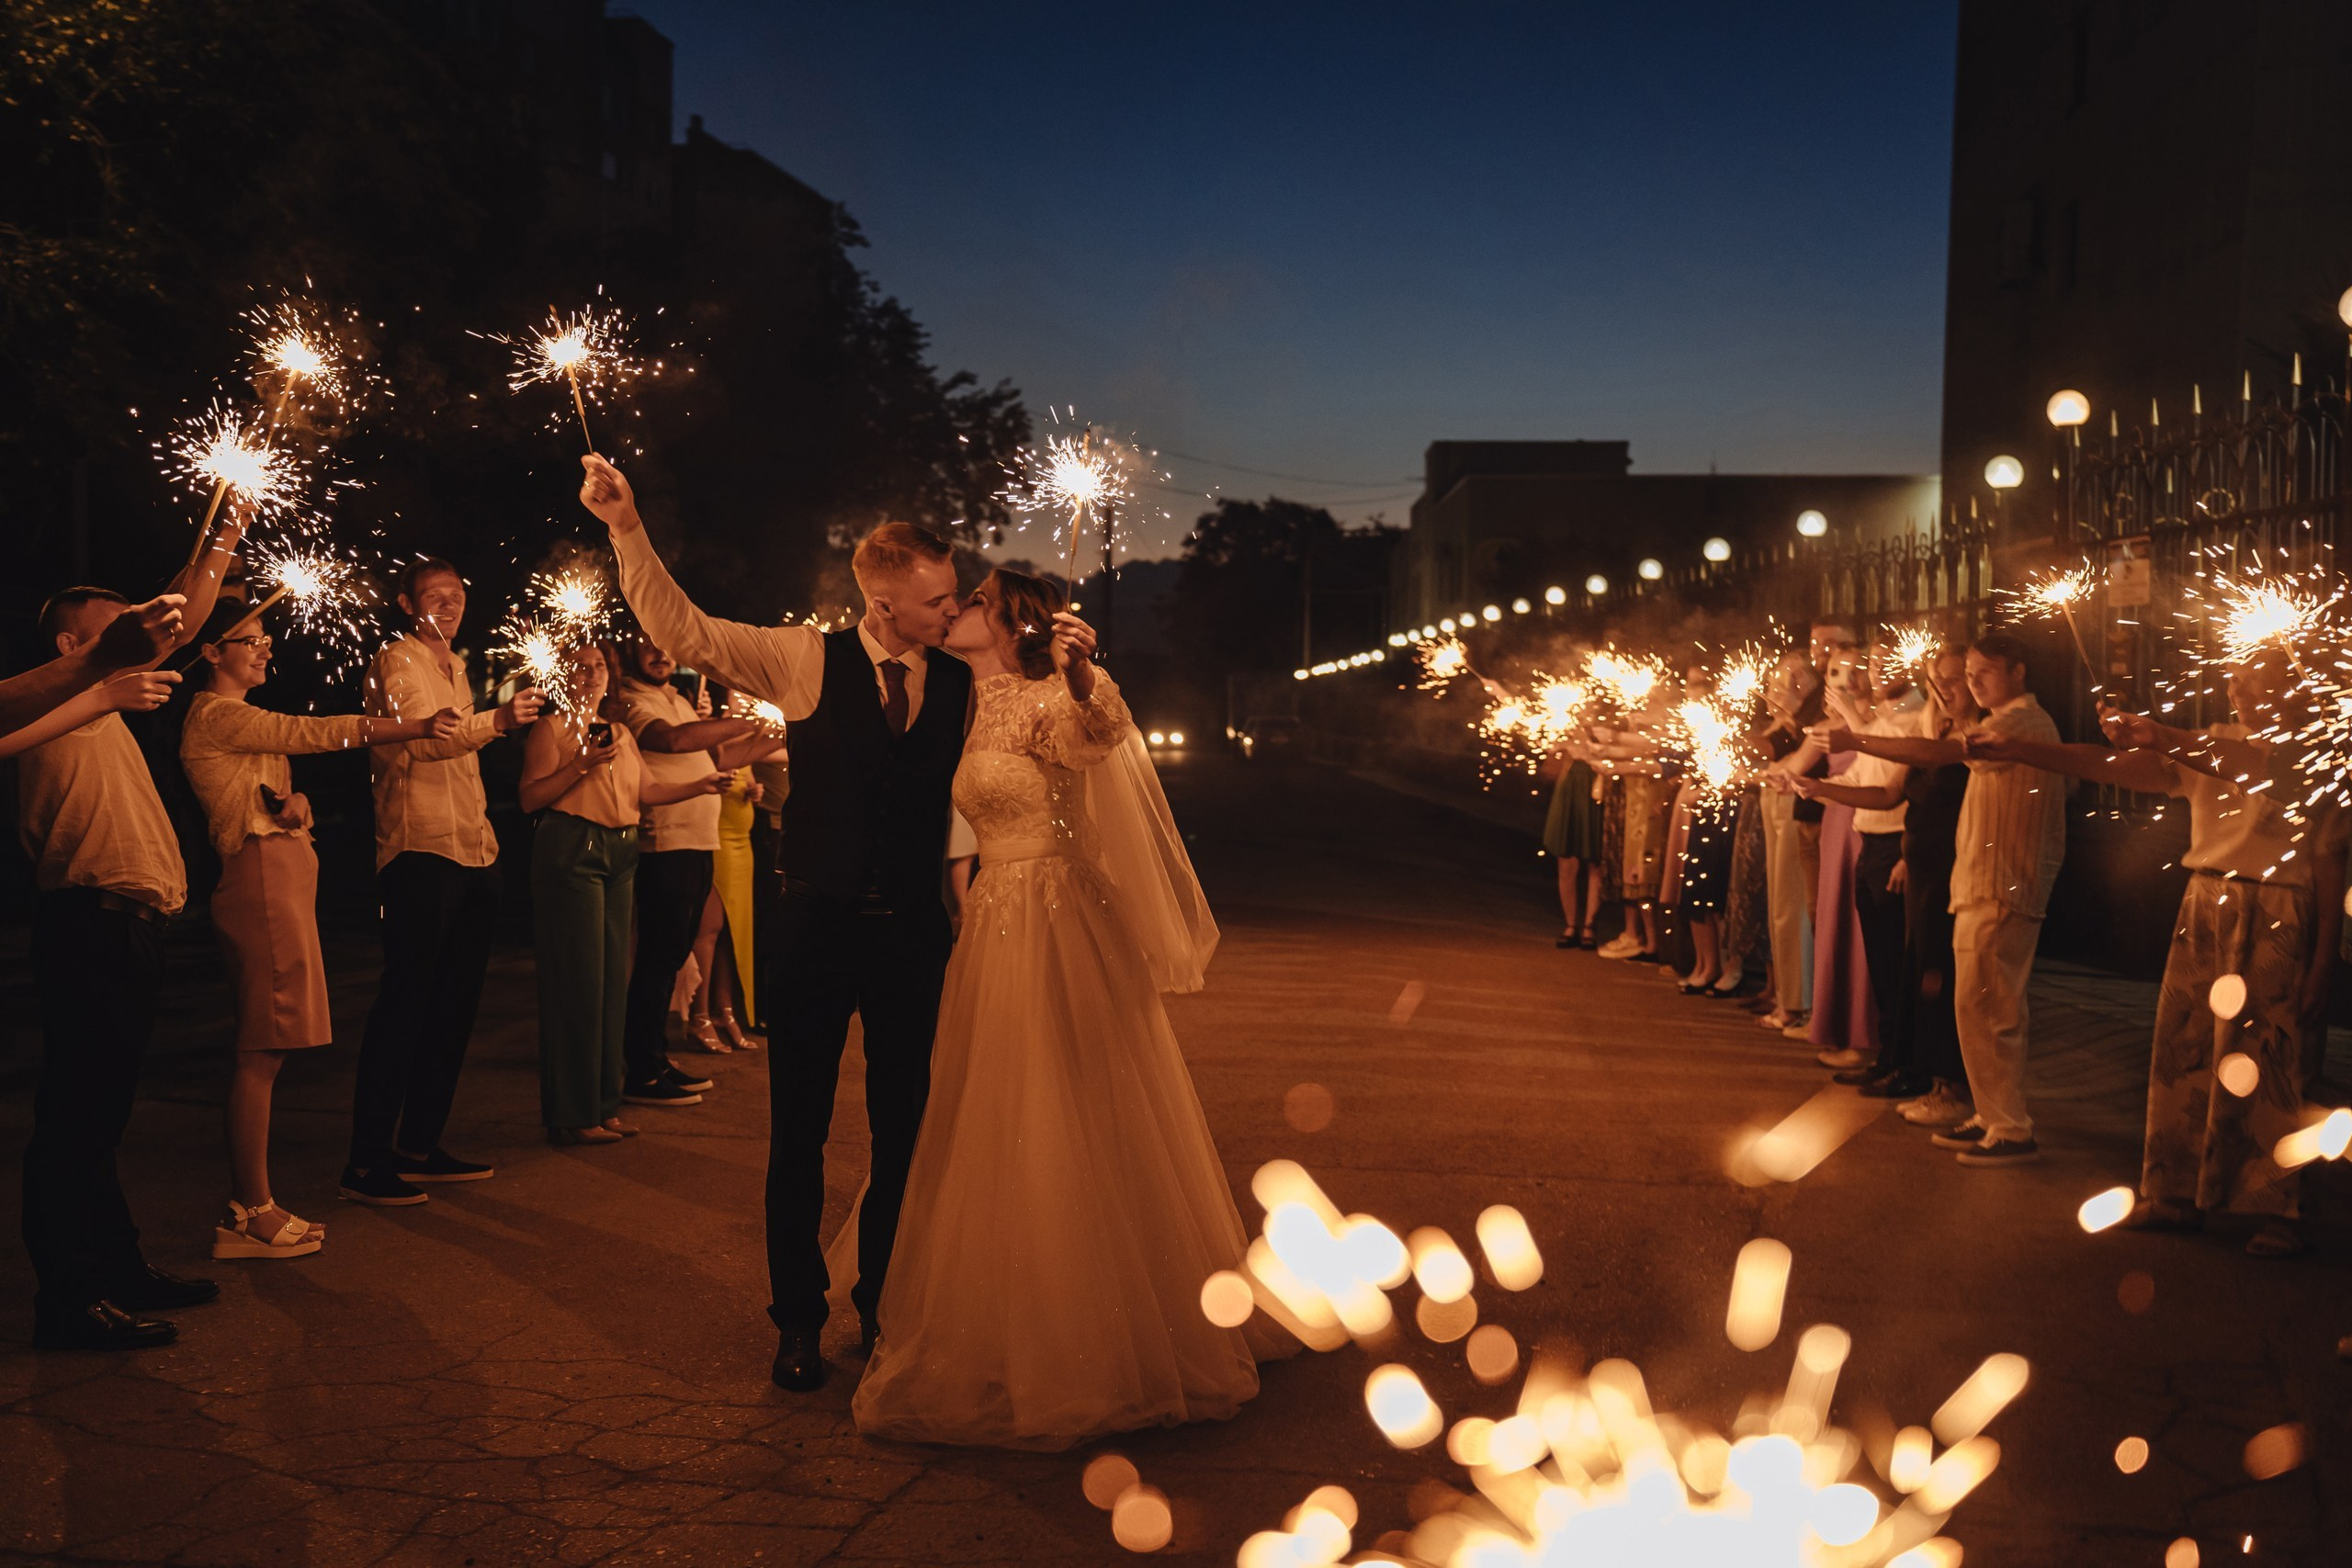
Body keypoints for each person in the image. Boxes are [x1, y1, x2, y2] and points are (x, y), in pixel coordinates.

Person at [850, 568, 1276, 1449]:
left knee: (1067, 1099)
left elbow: (1100, 731)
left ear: (1009, 621)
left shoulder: (1054, 693)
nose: (956, 606)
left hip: (1052, 916)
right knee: (990, 1105)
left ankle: (1093, 1332)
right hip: (992, 919)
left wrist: (1083, 675)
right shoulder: (965, 696)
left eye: (971, 599)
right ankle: (1003, 1310)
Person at [580, 452, 972, 1393]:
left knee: (904, 1130)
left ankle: (883, 1304)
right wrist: (626, 527)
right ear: (881, 605)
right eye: (935, 602)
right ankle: (797, 1318)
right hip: (814, 926)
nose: (951, 612)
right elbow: (683, 627)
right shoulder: (805, 657)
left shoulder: (963, 677)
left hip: (914, 936)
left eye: (953, 598)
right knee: (796, 1131)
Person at [1969, 649, 2344, 1252]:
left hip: (2277, 912)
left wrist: (2325, 959)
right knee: (2186, 1051)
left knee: (2274, 1060)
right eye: (2236, 677)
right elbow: (2113, 765)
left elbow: (2327, 858)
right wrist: (2021, 750)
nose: (2240, 687)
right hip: (2206, 904)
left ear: (2292, 687)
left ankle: (2282, 1207)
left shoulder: (2310, 756)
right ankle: (2175, 1192)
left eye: (2258, 678)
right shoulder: (2209, 739)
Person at [14, 512, 244, 1351]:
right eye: (120, 633)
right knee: (75, 1119)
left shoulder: (101, 703)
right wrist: (99, 687)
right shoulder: (59, 696)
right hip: (88, 925)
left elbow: (183, 608)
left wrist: (220, 539)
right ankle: (68, 1299)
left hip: (129, 930)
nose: (145, 642)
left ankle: (117, 1267)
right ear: (74, 641)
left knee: (100, 1117)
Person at [181, 608, 460, 1258]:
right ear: (212, 651)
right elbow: (310, 730)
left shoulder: (233, 723)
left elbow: (261, 792)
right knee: (260, 1051)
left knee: (268, 1049)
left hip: (274, 877)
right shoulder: (217, 712)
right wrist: (414, 724)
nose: (263, 650)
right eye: (249, 641)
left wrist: (294, 807)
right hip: (259, 883)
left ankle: (258, 1203)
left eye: (264, 640)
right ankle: (248, 1211)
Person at [345, 558, 544, 1207]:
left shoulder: (456, 665)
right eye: (434, 595)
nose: (448, 604)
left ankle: (419, 1145)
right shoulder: (397, 661)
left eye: (456, 594)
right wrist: (501, 721)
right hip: (419, 849)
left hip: (472, 851)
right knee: (406, 1003)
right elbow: (431, 743)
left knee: (453, 1006)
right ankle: (367, 1160)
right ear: (408, 604)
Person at [1832, 631, 2064, 1167]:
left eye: (1984, 673)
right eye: (1971, 673)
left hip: (2005, 883)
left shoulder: (2021, 723)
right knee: (1974, 1004)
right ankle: (1989, 1113)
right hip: (1978, 881)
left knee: (1995, 1007)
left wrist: (1859, 739)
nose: (1974, 684)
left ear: (2019, 672)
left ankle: (2011, 1126)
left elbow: (1941, 753)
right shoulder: (1992, 723)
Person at [518, 643, 724, 1144]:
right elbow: (530, 798)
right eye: (581, 668)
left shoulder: (622, 734)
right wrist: (580, 764)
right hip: (573, 848)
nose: (591, 675)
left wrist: (703, 784)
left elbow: (646, 792)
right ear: (563, 676)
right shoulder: (551, 728)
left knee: (611, 981)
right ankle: (573, 1112)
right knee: (581, 984)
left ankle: (604, 1105)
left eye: (599, 668)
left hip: (620, 850)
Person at [613, 636, 763, 1097]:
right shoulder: (630, 700)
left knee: (673, 956)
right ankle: (643, 1068)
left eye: (667, 647)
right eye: (649, 646)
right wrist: (738, 720)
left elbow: (716, 758)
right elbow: (672, 740)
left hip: (700, 842)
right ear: (630, 651)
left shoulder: (675, 697)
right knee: (659, 959)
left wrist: (770, 732)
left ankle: (656, 1057)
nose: (661, 655)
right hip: (666, 843)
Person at [1756, 651, 1820, 1031]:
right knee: (1779, 902)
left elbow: (1787, 758)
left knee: (1791, 903)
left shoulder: (1806, 717)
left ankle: (1798, 1001)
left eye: (1784, 681)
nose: (1773, 689)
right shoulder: (1784, 719)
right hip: (1774, 798)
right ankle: (1786, 996)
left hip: (1794, 803)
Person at [1541, 738, 1605, 948]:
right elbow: (1547, 768)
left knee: (1595, 861)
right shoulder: (1562, 721)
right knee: (1566, 859)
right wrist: (1557, 748)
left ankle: (1589, 926)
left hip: (1597, 785)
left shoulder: (1609, 718)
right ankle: (1571, 925)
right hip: (1568, 788)